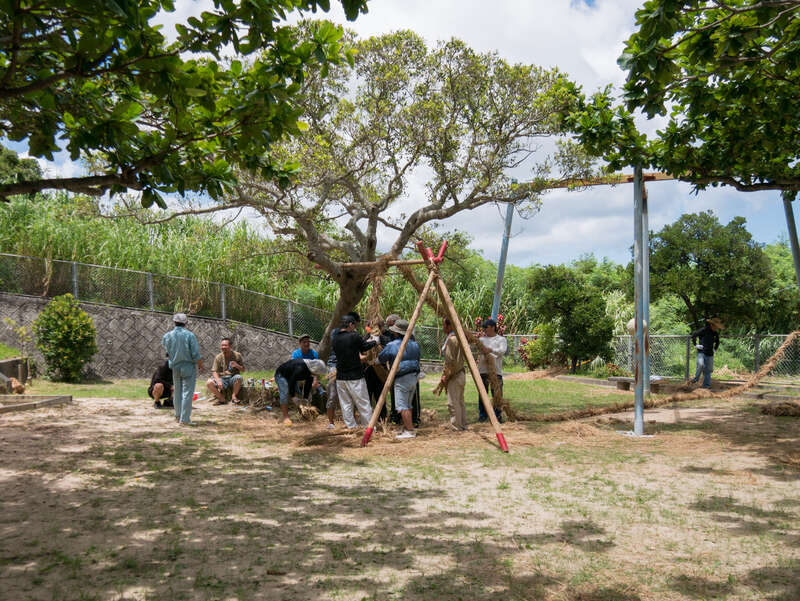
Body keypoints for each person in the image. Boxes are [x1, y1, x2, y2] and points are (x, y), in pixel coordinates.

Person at [331, 312, 377, 429]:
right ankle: (369, 427)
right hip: (355, 376)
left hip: (340, 377)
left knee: (346, 404)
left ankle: (351, 427)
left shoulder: (335, 338)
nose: (355, 328)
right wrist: (375, 341)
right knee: (363, 403)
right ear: (350, 324)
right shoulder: (353, 336)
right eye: (354, 326)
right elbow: (364, 347)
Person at [378, 318, 421, 439]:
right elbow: (418, 358)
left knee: (402, 405)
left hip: (401, 377)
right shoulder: (415, 344)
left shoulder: (392, 345)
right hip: (413, 377)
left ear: (396, 332)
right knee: (408, 404)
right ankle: (409, 427)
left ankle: (410, 431)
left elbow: (382, 358)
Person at [161, 313, 203, 426]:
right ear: (186, 322)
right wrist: (200, 364)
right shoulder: (190, 335)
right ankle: (184, 419)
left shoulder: (167, 336)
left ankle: (177, 415)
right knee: (187, 393)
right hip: (188, 366)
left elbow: (166, 351)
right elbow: (195, 353)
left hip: (174, 366)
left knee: (177, 392)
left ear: (174, 322)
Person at [274, 357, 328, 425]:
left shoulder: (310, 370)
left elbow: (308, 384)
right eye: (318, 373)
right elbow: (292, 381)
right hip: (281, 375)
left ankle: (303, 414)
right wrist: (293, 396)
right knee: (285, 393)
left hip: (291, 376)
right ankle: (286, 417)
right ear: (315, 369)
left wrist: (305, 398)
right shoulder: (301, 368)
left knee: (299, 396)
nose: (318, 375)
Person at [477, 318, 506, 423]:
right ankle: (482, 415)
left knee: (497, 394)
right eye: (483, 328)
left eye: (486, 327)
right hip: (483, 371)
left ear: (493, 327)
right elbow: (476, 349)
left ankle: (497, 416)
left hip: (496, 371)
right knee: (482, 394)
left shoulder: (501, 340)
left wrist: (490, 350)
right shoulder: (481, 340)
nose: (484, 329)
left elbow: (502, 351)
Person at [441, 317, 467, 430]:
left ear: (450, 326)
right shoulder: (460, 338)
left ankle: (456, 426)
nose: (443, 327)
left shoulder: (452, 340)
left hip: (455, 375)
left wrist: (445, 375)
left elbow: (450, 361)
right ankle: (463, 424)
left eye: (444, 325)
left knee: (453, 402)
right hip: (461, 373)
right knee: (460, 401)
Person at [206, 338, 245, 405]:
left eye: (225, 345)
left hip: (233, 378)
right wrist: (218, 380)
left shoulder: (237, 355)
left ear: (230, 346)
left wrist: (237, 365)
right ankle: (222, 399)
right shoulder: (218, 357)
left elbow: (243, 370)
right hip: (222, 379)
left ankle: (234, 396)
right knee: (209, 382)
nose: (223, 347)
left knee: (239, 377)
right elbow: (214, 371)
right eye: (222, 345)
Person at [690, 316, 724, 389]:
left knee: (708, 371)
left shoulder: (715, 333)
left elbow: (717, 341)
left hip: (710, 354)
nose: (716, 328)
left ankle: (706, 386)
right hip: (701, 352)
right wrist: (696, 345)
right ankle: (695, 379)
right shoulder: (704, 330)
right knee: (701, 365)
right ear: (712, 325)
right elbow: (694, 335)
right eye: (716, 326)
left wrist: (715, 349)